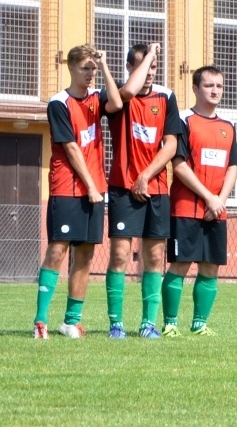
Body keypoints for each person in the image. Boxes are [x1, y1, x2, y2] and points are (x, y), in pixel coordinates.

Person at [33, 45, 121, 339]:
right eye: (85, 68)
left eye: (93, 69)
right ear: (70, 68)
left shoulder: (98, 98)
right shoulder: (58, 103)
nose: (90, 74)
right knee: (57, 251)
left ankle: (71, 321)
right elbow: (71, 148)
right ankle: (40, 321)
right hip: (67, 189)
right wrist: (92, 187)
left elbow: (118, 103)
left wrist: (106, 65)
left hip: (95, 191)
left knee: (85, 256)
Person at [101, 42, 184, 339]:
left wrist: (146, 176)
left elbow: (171, 144)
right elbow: (125, 93)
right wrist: (150, 53)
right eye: (143, 67)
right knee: (120, 255)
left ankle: (149, 323)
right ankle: (116, 324)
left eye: (153, 67)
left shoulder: (166, 97)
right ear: (129, 68)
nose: (149, 72)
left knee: (154, 256)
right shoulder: (115, 98)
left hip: (156, 188)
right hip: (122, 187)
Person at [161, 66, 237, 337]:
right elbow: (179, 166)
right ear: (195, 89)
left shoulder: (228, 126)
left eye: (219, 85)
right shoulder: (184, 120)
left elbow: (233, 166)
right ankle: (170, 323)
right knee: (180, 264)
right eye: (209, 85)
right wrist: (209, 198)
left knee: (210, 266)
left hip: (216, 210)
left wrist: (219, 200)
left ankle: (199, 324)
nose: (215, 90)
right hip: (185, 208)